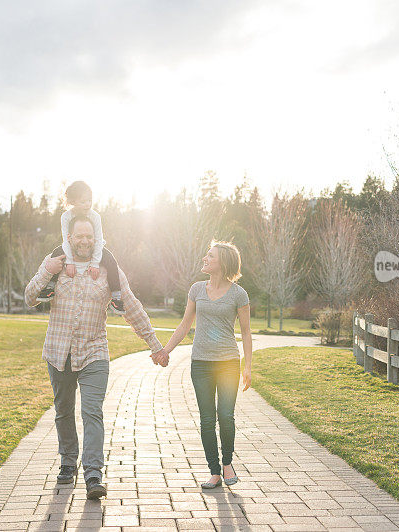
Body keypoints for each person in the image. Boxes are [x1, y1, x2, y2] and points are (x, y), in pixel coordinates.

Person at [25, 215, 166, 499]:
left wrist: (154, 344)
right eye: (80, 236)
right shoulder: (55, 263)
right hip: (58, 353)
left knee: (92, 411)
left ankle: (93, 474)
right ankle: (68, 462)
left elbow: (131, 306)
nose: (85, 240)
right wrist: (45, 272)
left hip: (94, 353)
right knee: (63, 411)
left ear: (97, 237)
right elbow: (29, 297)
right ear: (70, 236)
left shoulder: (107, 269)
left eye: (90, 236)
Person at [152, 241, 252, 489]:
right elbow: (185, 325)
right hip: (201, 364)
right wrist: (165, 350)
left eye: (210, 256)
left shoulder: (239, 294)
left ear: (223, 262)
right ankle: (214, 471)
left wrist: (247, 366)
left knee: (226, 416)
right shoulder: (196, 289)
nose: (204, 259)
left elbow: (247, 332)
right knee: (207, 418)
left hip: (228, 363)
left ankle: (227, 463)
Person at [37, 181, 124, 314]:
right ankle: (50, 288)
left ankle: (116, 298)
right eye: (83, 202)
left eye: (89, 201)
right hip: (72, 246)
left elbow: (99, 239)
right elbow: (66, 240)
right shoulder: (66, 216)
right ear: (73, 201)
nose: (87, 204)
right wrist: (69, 262)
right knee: (56, 253)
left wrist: (95, 263)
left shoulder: (95, 216)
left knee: (110, 259)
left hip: (94, 246)